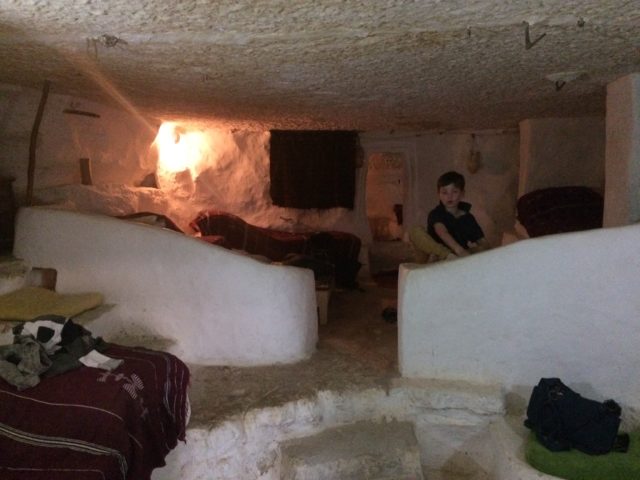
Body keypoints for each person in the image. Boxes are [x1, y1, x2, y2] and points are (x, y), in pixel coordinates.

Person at [410, 170, 489, 262]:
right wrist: (459, 251)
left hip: (459, 254)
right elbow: (442, 232)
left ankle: (451, 257)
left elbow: (483, 242)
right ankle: (446, 255)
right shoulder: (436, 213)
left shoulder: (468, 217)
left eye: (454, 192)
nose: (449, 196)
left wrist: (482, 251)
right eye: (444, 193)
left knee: (484, 249)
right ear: (438, 194)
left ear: (462, 193)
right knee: (415, 231)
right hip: (439, 252)